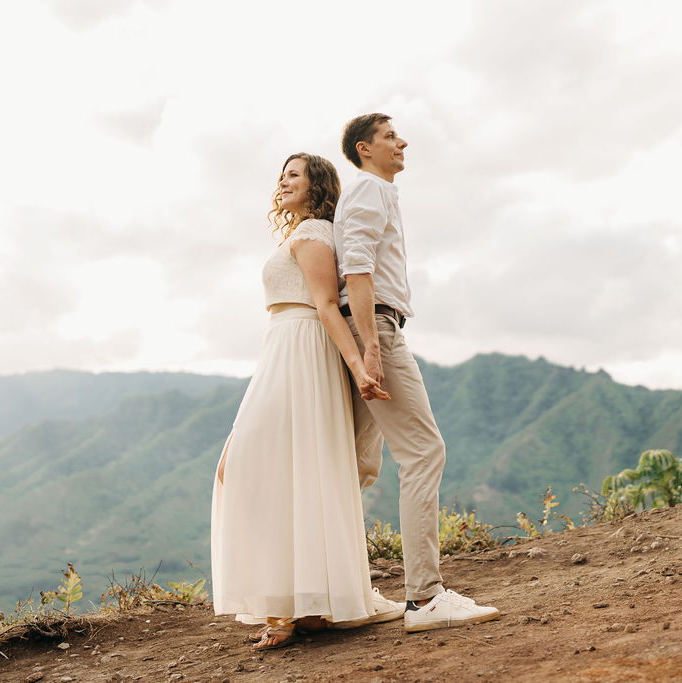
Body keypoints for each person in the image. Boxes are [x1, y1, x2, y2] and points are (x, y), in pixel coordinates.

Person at [211, 152, 403, 650]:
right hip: (280, 346)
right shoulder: (300, 234)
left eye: (293, 173)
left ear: (316, 183)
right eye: (281, 173)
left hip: (303, 349)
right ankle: (308, 605)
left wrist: (360, 366)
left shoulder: (316, 232)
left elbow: (324, 306)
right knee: (272, 467)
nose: (283, 179)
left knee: (262, 464)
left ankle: (290, 610)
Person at [334, 113, 500, 631]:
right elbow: (356, 267)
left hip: (365, 327)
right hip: (374, 328)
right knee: (424, 452)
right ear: (365, 149)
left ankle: (334, 595)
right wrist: (371, 347)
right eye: (390, 136)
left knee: (355, 467)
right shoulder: (370, 190)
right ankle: (425, 598)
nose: (402, 142)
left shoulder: (373, 192)